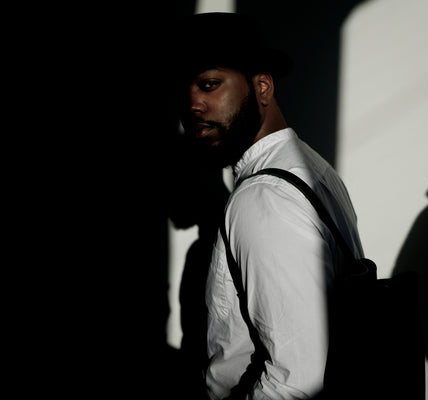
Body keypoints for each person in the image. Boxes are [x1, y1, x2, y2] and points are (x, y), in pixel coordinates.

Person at [174, 12, 364, 399]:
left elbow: (296, 382)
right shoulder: (310, 166)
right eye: (183, 89)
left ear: (262, 88)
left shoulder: (262, 198)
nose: (192, 103)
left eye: (209, 84)